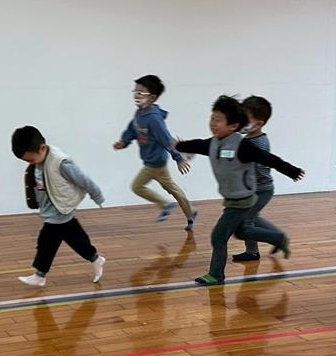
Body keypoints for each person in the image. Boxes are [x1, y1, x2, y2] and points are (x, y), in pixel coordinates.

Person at [176, 95, 304, 286]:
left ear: (233, 125)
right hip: (233, 199)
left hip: (243, 200)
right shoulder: (215, 142)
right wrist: (180, 145)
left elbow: (268, 158)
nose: (213, 123)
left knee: (218, 236)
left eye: (218, 120)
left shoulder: (242, 145)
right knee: (243, 232)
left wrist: (291, 171)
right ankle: (278, 238)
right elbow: (199, 145)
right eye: (212, 118)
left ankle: (216, 275)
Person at [12, 125, 106, 288]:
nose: (31, 164)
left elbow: (83, 180)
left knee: (47, 241)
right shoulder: (39, 161)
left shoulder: (61, 163)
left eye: (31, 160)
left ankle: (40, 276)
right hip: (52, 208)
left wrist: (97, 195)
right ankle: (95, 258)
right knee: (75, 239)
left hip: (61, 208)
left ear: (42, 148)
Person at [114, 75, 196, 231]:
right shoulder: (139, 114)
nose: (136, 95)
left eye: (140, 92)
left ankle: (166, 205)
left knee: (137, 186)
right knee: (172, 188)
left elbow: (166, 139)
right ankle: (190, 212)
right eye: (135, 92)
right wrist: (124, 142)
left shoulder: (154, 119)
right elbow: (132, 130)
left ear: (152, 98)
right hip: (152, 161)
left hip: (155, 162)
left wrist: (178, 158)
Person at [233, 95, 286, 262]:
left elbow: (258, 169)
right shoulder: (248, 139)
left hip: (261, 189)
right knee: (251, 218)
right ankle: (275, 238)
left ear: (259, 123)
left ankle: (265, 245)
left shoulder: (259, 143)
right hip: (253, 188)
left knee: (245, 221)